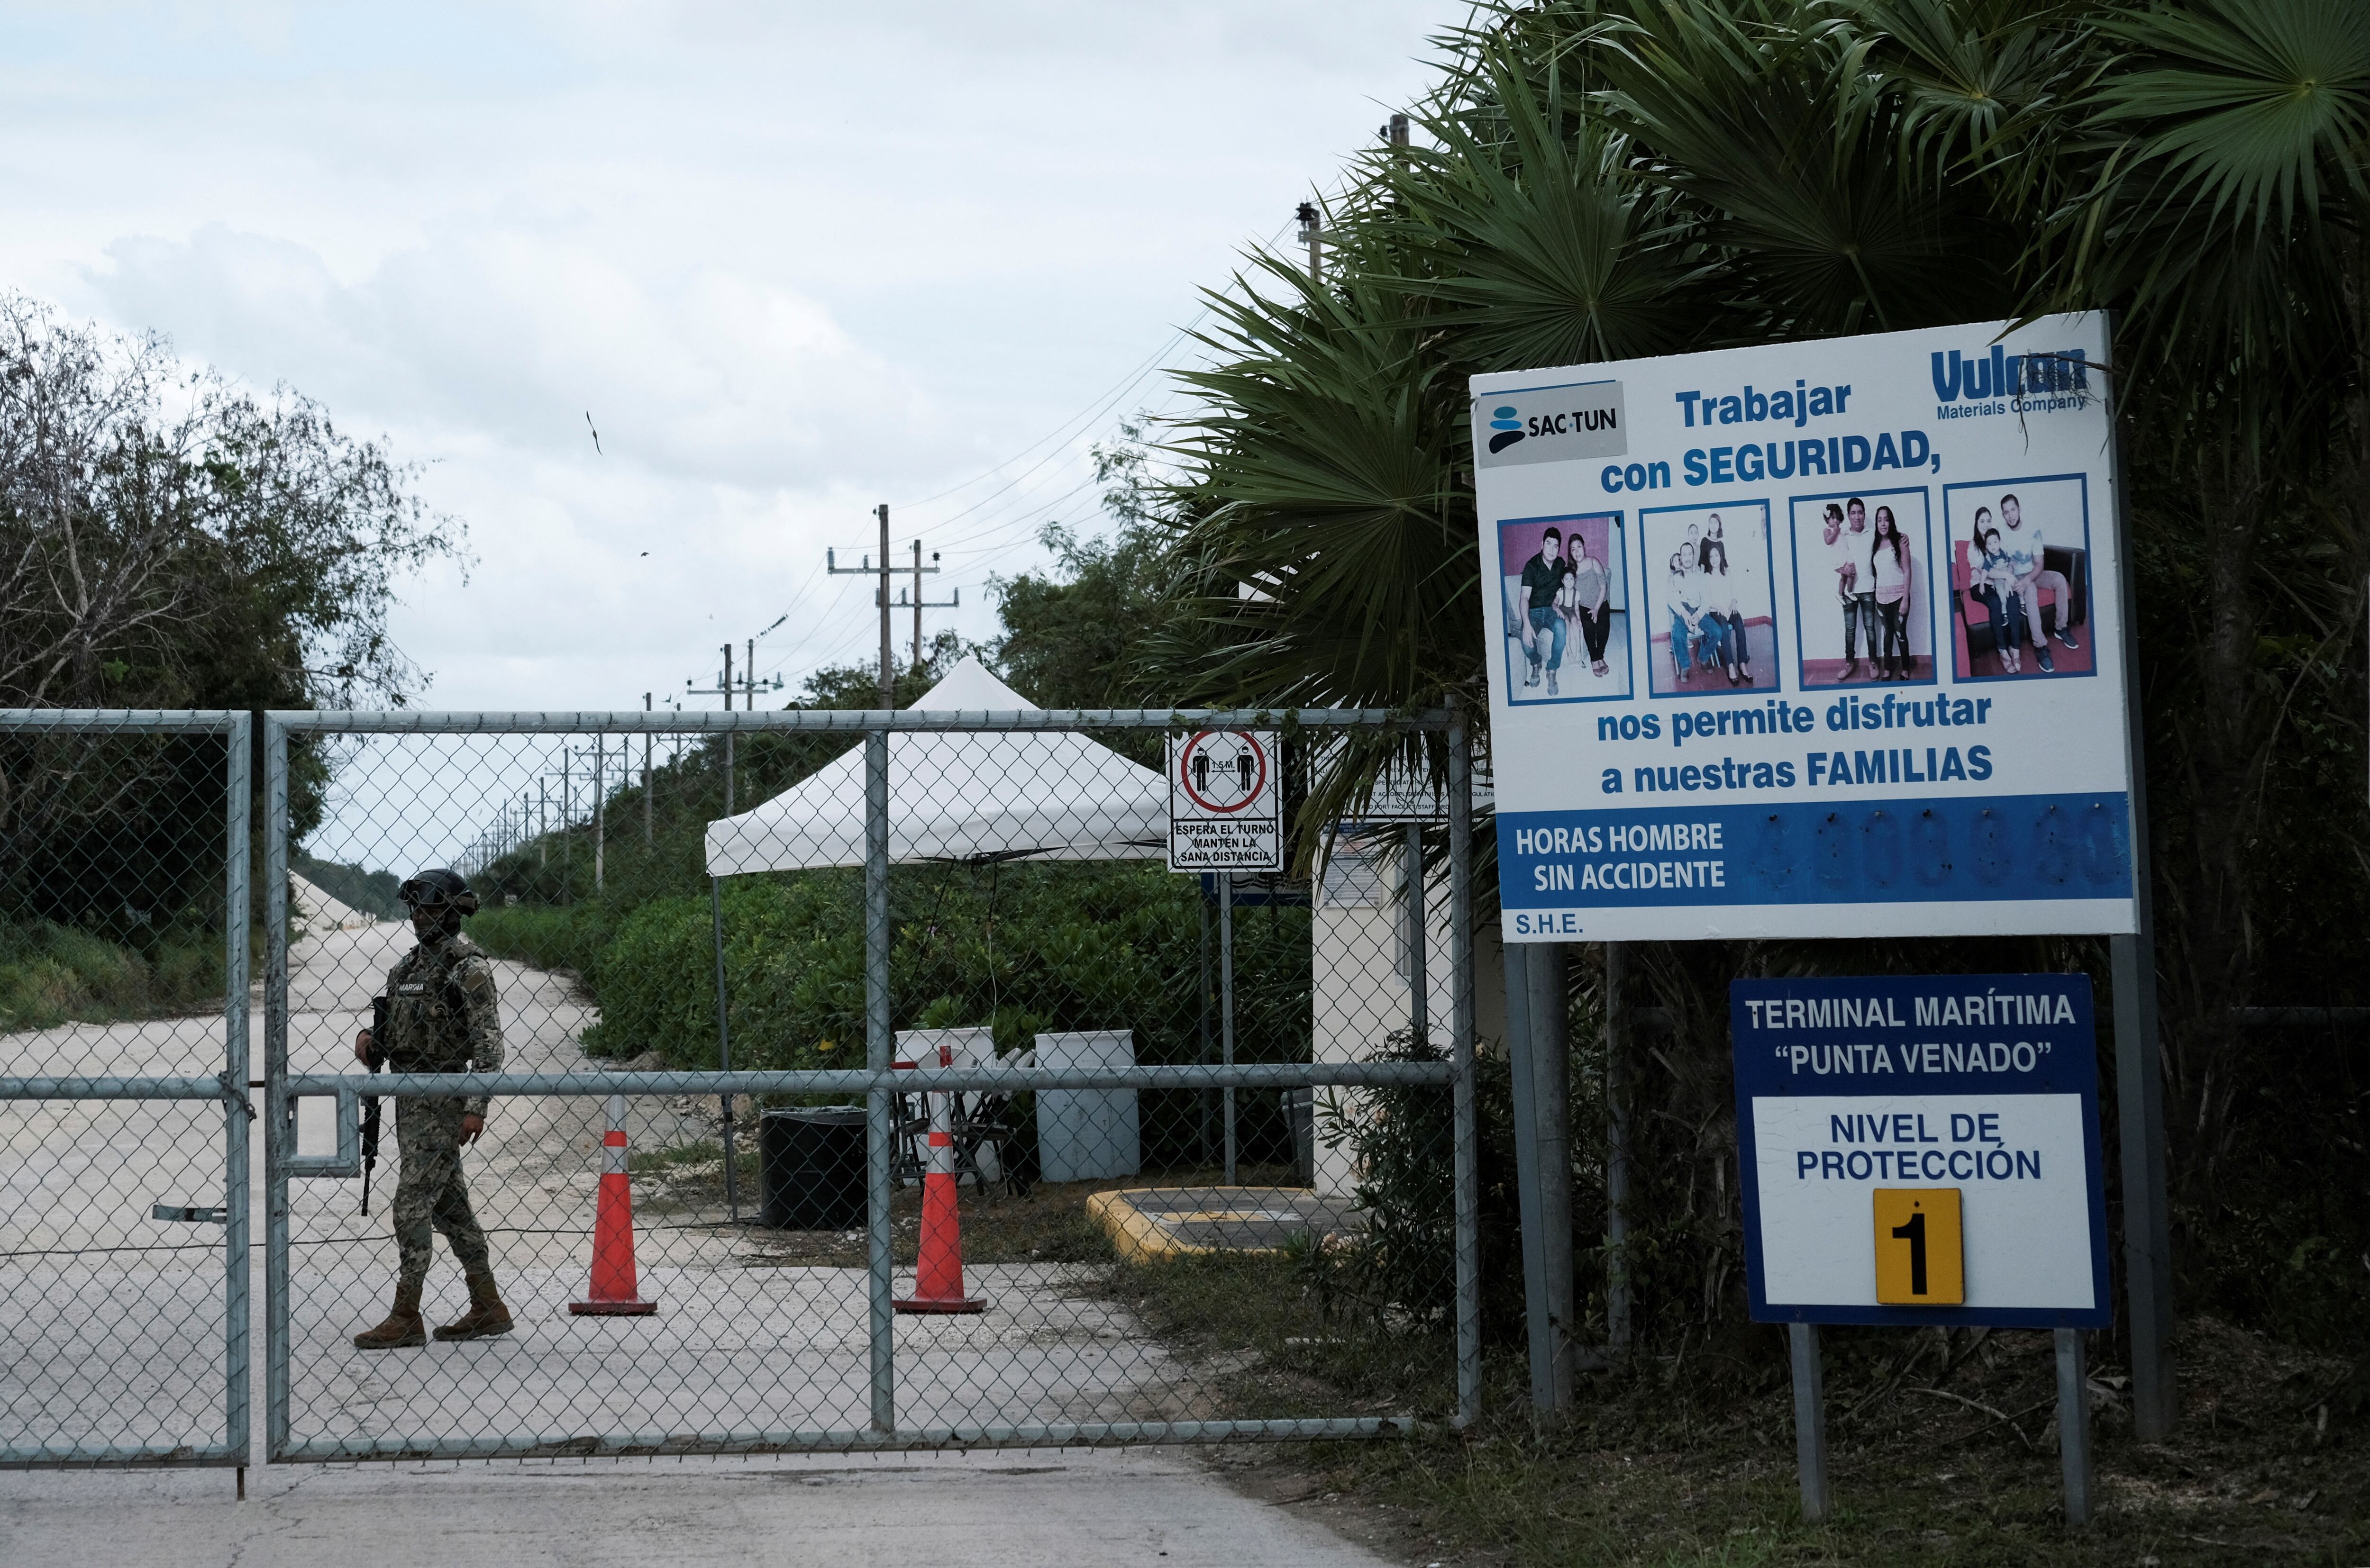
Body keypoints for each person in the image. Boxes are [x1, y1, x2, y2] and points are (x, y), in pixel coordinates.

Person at [350, 869, 511, 1350]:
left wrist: (476, 1107)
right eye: (417, 908)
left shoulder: (469, 968)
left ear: (454, 912)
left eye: (432, 909)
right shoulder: (406, 968)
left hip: (442, 1098)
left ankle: (405, 1315)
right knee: (451, 1208)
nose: (422, 917)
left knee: (411, 1205)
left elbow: (489, 1046)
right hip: (407, 1096)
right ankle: (488, 1305)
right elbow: (392, 1034)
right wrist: (369, 1042)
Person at [1998, 492, 2078, 672]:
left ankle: (2061, 628)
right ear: (2003, 515)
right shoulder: (2001, 532)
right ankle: (2041, 646)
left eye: (2013, 510)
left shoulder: (2033, 531)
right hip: (2015, 576)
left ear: (2019, 509)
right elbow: (2003, 562)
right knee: (2031, 590)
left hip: (2032, 572)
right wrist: (2015, 579)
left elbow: (2040, 564)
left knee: (2059, 578)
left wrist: (2027, 579)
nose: (2010, 515)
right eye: (2006, 512)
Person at [1518, 526, 1576, 696]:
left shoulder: (1560, 564)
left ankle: (1552, 670)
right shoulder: (1531, 566)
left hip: (1552, 610)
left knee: (1562, 628)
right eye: (1549, 544)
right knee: (1526, 641)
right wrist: (1527, 624)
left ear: (1559, 549)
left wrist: (1562, 608)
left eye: (1556, 546)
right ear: (1542, 544)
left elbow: (1569, 582)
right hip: (1534, 611)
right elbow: (1524, 598)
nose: (1552, 550)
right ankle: (1536, 664)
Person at [1701, 513, 1750, 685]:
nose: (1714, 559)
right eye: (1712, 556)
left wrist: (1734, 601)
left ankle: (1743, 663)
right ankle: (1730, 666)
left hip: (1729, 608)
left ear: (1721, 556)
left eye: (1717, 556)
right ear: (1709, 558)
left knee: (1739, 623)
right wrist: (1718, 607)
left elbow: (1733, 591)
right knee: (1723, 627)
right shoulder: (1706, 576)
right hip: (1716, 611)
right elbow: (1706, 600)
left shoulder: (1727, 573)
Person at [1976, 523, 2027, 673]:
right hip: (1996, 582)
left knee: (2015, 597)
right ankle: (2003, 651)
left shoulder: (2003, 551)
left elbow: (2011, 562)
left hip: (2007, 579)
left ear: (1999, 542)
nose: (1993, 545)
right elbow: (1987, 571)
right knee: (1999, 601)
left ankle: (2015, 649)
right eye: (1990, 543)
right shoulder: (1987, 556)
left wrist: (2010, 576)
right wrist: (1981, 584)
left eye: (1995, 542)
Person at [1869, 504, 1913, 679]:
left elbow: (1908, 571)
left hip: (1899, 598)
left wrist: (1905, 600)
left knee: (1900, 633)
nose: (1883, 524)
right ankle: (1887, 668)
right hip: (1881, 600)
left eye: (1886, 519)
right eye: (1879, 520)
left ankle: (1905, 669)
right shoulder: (1875, 544)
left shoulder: (1901, 542)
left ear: (1891, 521)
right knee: (1888, 635)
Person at [1568, 528, 1613, 679]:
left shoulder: (1594, 562)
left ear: (1584, 546)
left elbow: (1603, 587)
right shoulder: (1571, 571)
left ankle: (1601, 656)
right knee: (1588, 628)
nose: (1577, 551)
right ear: (1571, 553)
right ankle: (1595, 660)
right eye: (1573, 549)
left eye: (1579, 547)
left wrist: (1597, 609)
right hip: (1583, 607)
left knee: (1603, 627)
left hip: (1601, 603)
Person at [1667, 548, 1714, 685]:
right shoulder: (1675, 576)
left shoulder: (1699, 575)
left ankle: (1704, 657)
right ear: (1681, 557)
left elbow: (1706, 599)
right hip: (1682, 613)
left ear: (1693, 556)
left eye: (1690, 554)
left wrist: (1699, 615)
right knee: (1677, 635)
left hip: (1698, 612)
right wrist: (1683, 612)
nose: (1687, 558)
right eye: (1684, 555)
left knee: (1717, 631)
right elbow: (1671, 597)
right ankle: (1686, 666)